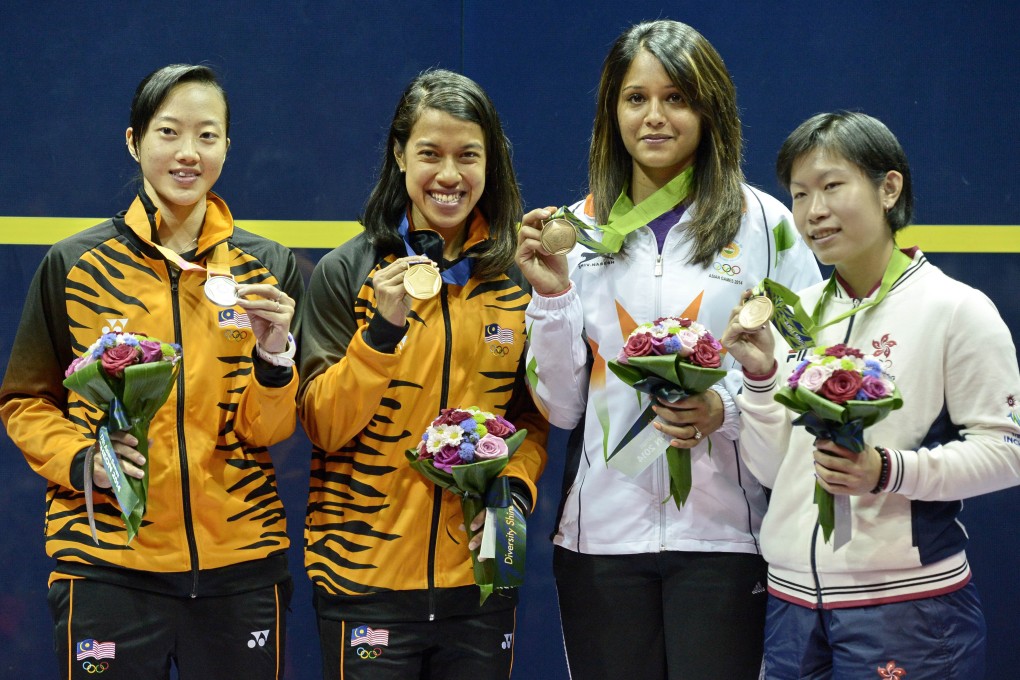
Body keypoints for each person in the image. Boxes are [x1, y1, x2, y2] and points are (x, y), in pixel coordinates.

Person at [515, 19, 821, 680]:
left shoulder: (769, 226)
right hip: (602, 536)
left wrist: (727, 408)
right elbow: (562, 409)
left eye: (677, 98)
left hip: (728, 536)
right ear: (611, 111)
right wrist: (550, 298)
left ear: (709, 109)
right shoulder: (578, 232)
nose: (655, 116)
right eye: (636, 98)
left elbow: (807, 367)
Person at [0, 64, 302, 679]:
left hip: (239, 567)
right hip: (108, 562)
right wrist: (83, 461)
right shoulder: (76, 264)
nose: (188, 153)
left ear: (227, 146)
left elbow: (269, 431)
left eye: (208, 136)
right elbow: (25, 402)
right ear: (135, 141)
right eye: (169, 132)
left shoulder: (266, 268)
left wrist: (276, 359)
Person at [720, 111, 1020, 679]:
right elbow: (769, 470)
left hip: (909, 606)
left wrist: (886, 470)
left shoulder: (957, 309)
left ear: (889, 187)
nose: (814, 211)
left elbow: (1008, 452)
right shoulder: (795, 314)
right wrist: (760, 380)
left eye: (833, 186)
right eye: (800, 193)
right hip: (791, 606)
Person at [298, 68, 547, 680]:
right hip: (364, 577)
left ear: (491, 164)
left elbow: (530, 420)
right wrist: (381, 333)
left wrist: (512, 492)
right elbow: (323, 427)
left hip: (480, 580)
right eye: (430, 154)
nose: (449, 176)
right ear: (399, 155)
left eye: (468, 156)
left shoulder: (516, 281)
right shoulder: (347, 272)